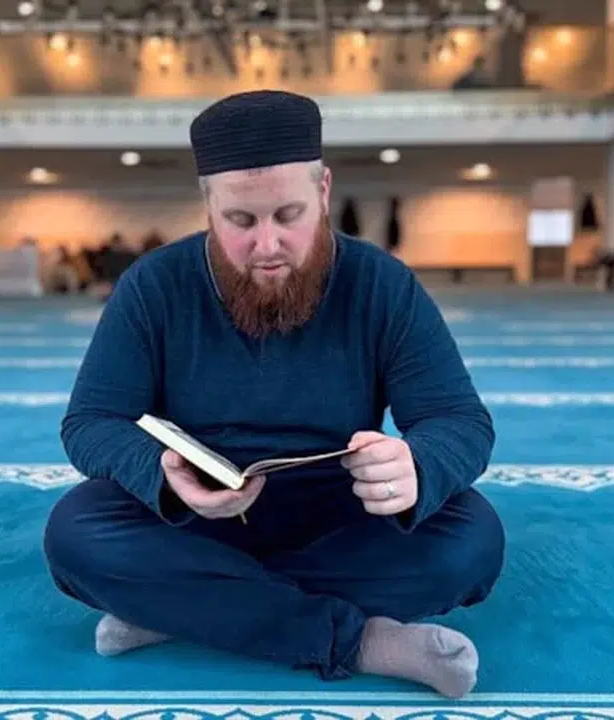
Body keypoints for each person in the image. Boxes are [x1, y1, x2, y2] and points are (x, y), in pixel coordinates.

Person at [43, 90, 504, 699]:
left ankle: (184, 609)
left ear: (323, 191)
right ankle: (360, 642)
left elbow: (459, 420)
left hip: (342, 514)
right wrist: (161, 474)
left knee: (472, 537)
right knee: (75, 533)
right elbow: (92, 420)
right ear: (209, 205)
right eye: (240, 221)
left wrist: (417, 465)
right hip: (195, 517)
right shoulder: (154, 285)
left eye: (289, 215)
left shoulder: (382, 284)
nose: (267, 245)